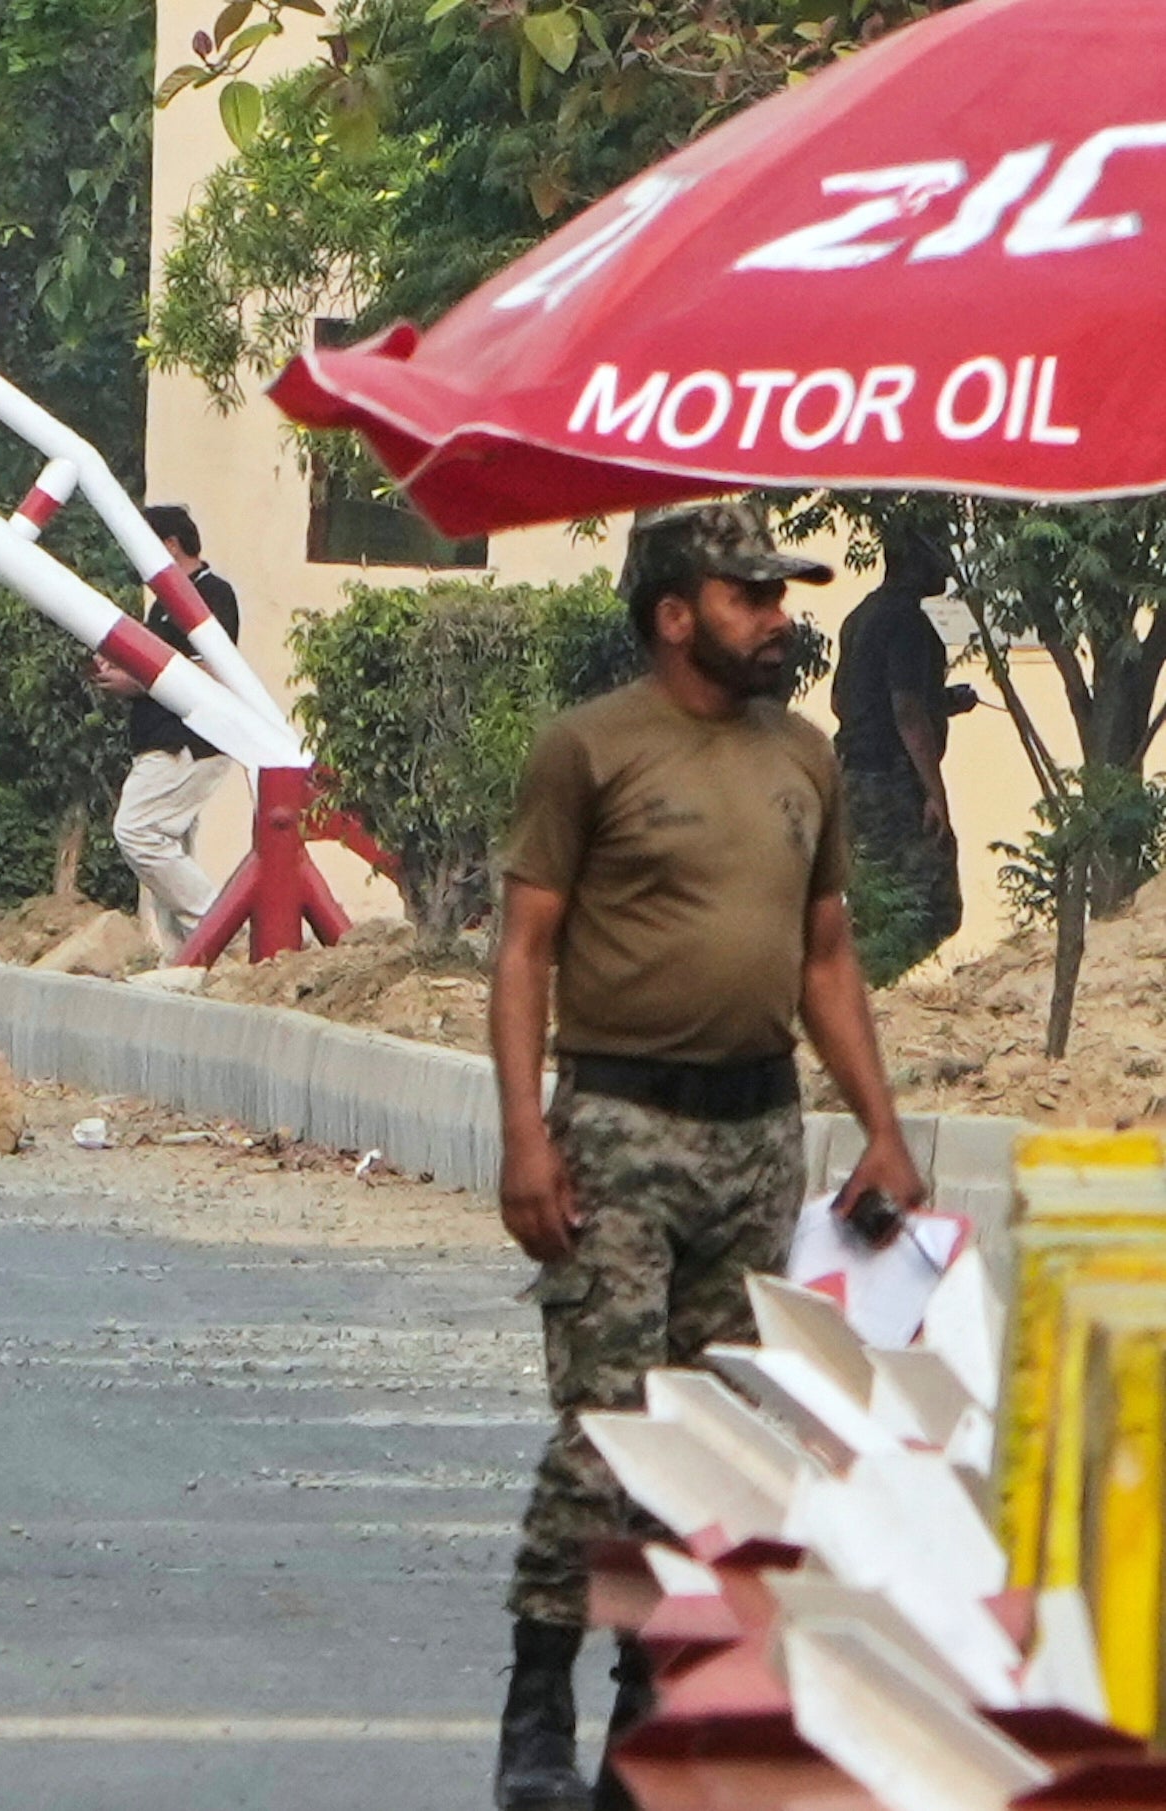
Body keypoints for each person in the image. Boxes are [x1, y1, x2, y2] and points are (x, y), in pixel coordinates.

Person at [486, 502, 926, 1811]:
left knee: (720, 1440)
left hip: (759, 1129)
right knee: (614, 1429)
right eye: (752, 595)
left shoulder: (805, 757)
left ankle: (649, 1710)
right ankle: (536, 1702)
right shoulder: (590, 752)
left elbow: (827, 953)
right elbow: (523, 951)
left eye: (781, 594)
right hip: (618, 1124)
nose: (780, 615)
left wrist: (883, 1129)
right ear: (676, 612)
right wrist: (524, 1132)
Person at [95, 503, 243, 960]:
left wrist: (135, 680)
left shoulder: (212, 594)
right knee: (167, 851)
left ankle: (221, 930)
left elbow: (210, 669)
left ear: (170, 545)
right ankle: (186, 958)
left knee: (137, 831)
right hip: (159, 739)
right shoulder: (163, 606)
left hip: (189, 743)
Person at [832, 530, 965, 974]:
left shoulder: (860, 617)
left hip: (852, 776)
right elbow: (907, 712)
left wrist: (942, 702)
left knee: (876, 897)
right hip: (892, 782)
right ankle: (874, 986)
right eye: (939, 554)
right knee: (932, 904)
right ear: (914, 561)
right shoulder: (909, 623)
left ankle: (868, 989)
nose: (948, 566)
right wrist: (936, 795)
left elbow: (845, 701)